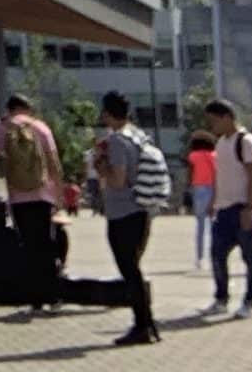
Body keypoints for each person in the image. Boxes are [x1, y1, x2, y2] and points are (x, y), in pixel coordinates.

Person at [0, 93, 68, 313]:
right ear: (27, 108)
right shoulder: (41, 128)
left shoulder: (4, 128)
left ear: (10, 109)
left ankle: (35, 301)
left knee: (28, 247)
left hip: (19, 198)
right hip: (43, 195)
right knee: (46, 245)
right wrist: (59, 195)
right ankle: (54, 298)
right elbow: (54, 163)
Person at [93, 91, 161, 347]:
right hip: (142, 209)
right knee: (133, 268)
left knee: (129, 271)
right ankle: (148, 323)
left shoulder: (118, 142)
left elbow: (118, 180)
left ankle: (142, 325)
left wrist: (101, 166)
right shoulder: (139, 136)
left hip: (123, 213)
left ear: (108, 114)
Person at [202, 99, 252, 319]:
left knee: (250, 257)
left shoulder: (247, 142)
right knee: (217, 254)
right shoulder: (221, 143)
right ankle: (221, 299)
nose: (212, 126)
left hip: (243, 208)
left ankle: (250, 301)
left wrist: (249, 207)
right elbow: (220, 175)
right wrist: (213, 201)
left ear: (226, 117)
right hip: (225, 209)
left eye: (213, 121)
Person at [187, 132, 218, 265]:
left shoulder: (193, 156)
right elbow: (217, 172)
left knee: (200, 226)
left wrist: (189, 185)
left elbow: (190, 173)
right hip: (212, 188)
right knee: (213, 226)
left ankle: (199, 257)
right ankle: (214, 255)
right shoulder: (214, 156)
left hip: (198, 189)